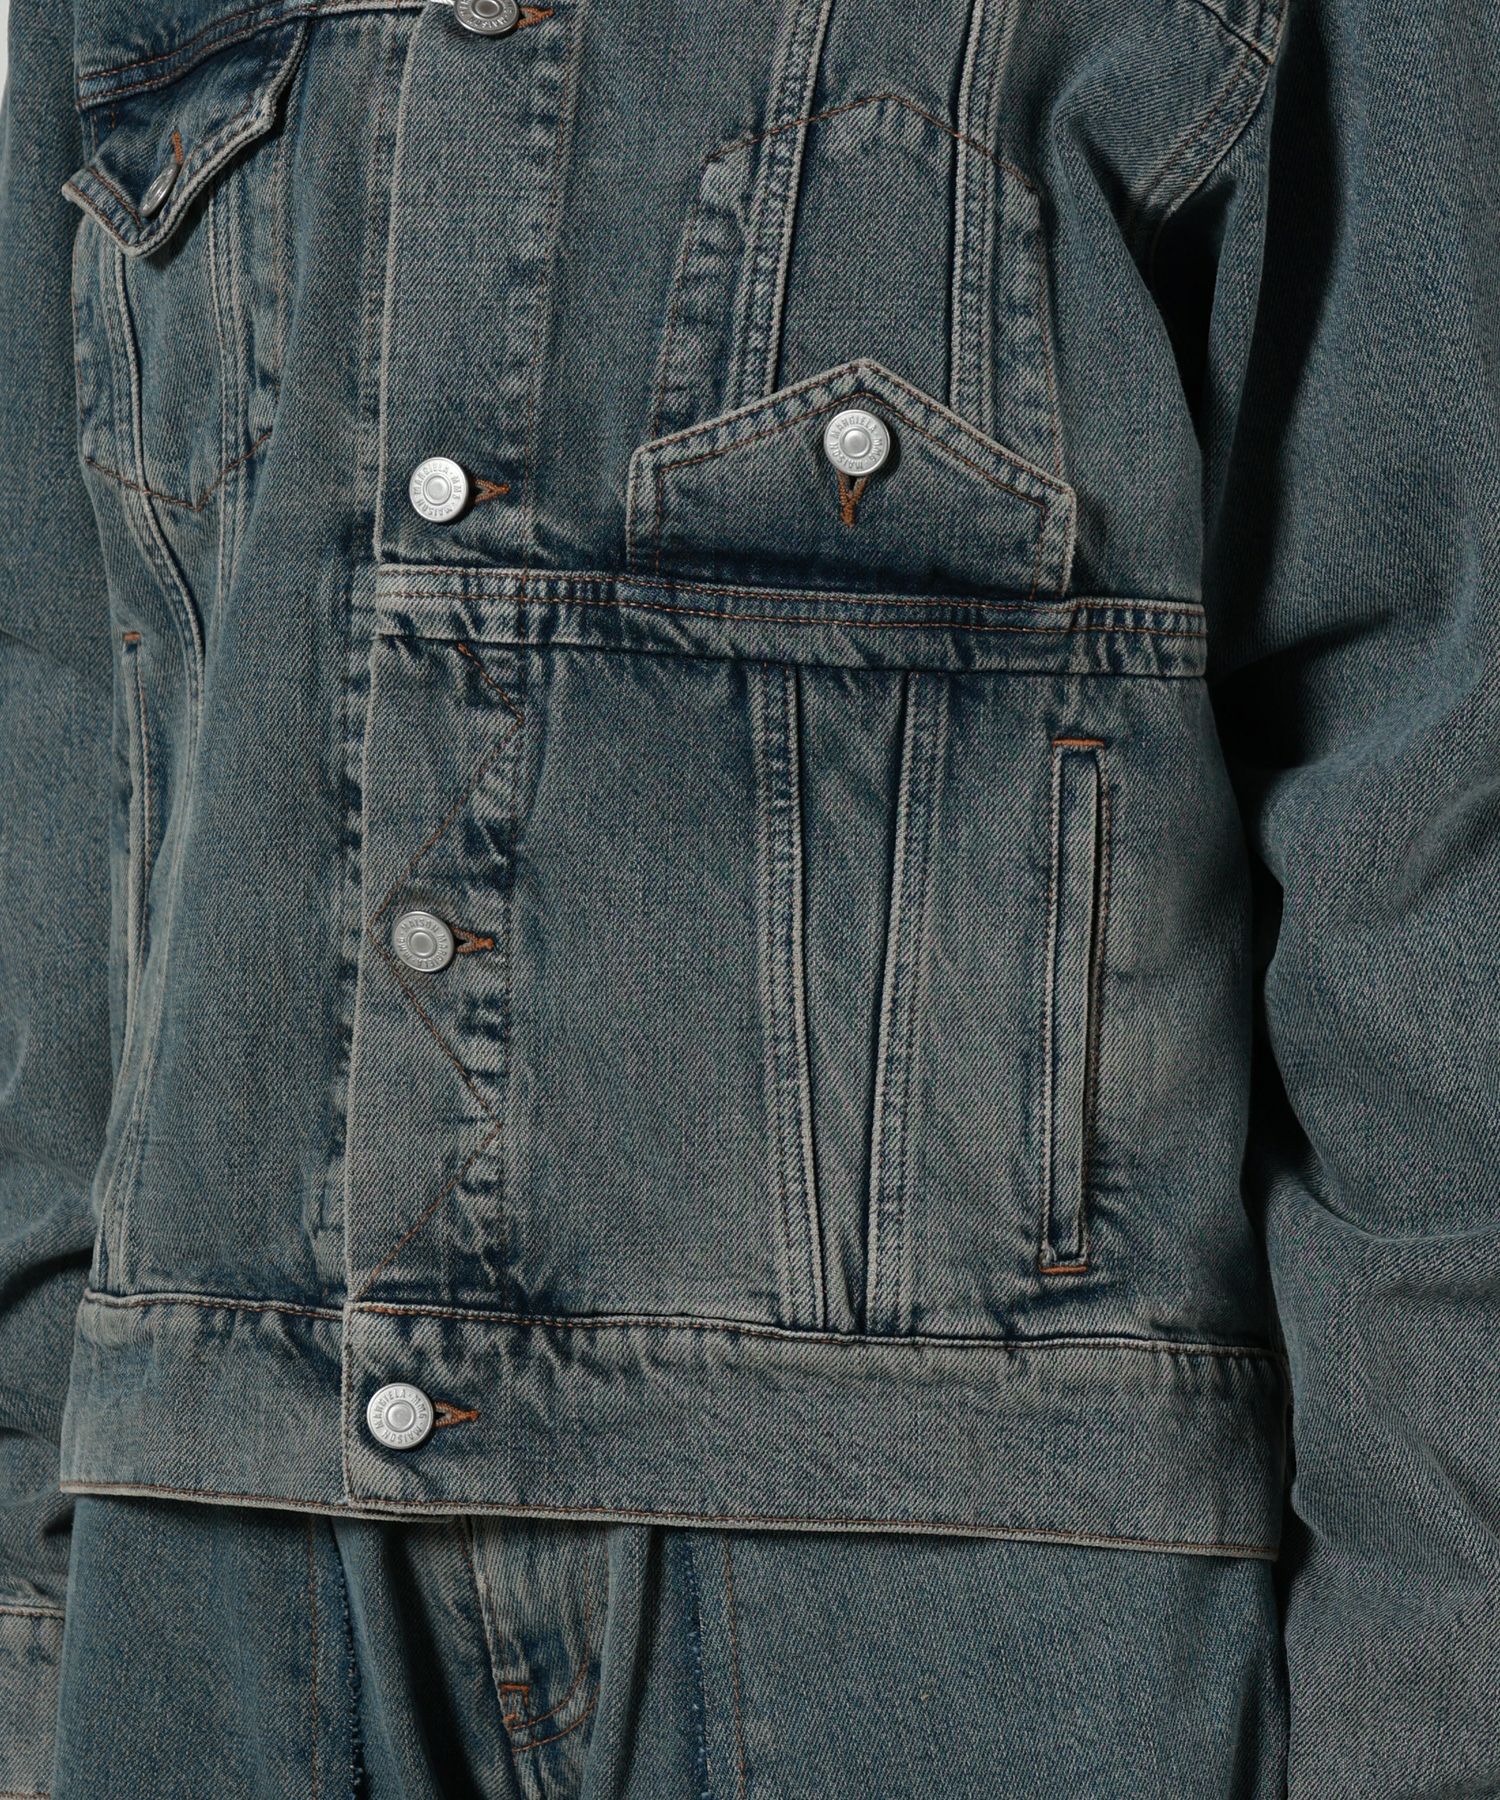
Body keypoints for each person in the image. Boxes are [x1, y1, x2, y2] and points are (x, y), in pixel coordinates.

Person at [1, 0, 1495, 1792]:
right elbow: (72, 745)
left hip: (959, 1582)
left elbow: (1423, 817)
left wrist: (1434, 1713)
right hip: (216, 1565)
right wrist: (35, 1625)